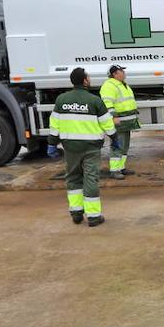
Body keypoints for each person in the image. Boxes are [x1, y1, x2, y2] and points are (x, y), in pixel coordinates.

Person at [48, 67, 115, 227]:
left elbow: (54, 124)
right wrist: (115, 137)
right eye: (88, 77)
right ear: (84, 80)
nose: (89, 79)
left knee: (73, 178)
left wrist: (51, 143)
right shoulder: (95, 100)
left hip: (70, 147)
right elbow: (107, 123)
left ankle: (76, 213)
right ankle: (93, 216)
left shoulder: (61, 100)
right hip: (91, 148)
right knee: (90, 178)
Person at [99, 64, 141, 180]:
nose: (124, 72)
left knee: (124, 145)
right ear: (114, 74)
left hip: (126, 121)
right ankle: (114, 170)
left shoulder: (121, 84)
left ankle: (121, 167)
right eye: (121, 71)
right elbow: (107, 103)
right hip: (119, 121)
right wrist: (113, 117)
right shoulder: (109, 85)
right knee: (117, 145)